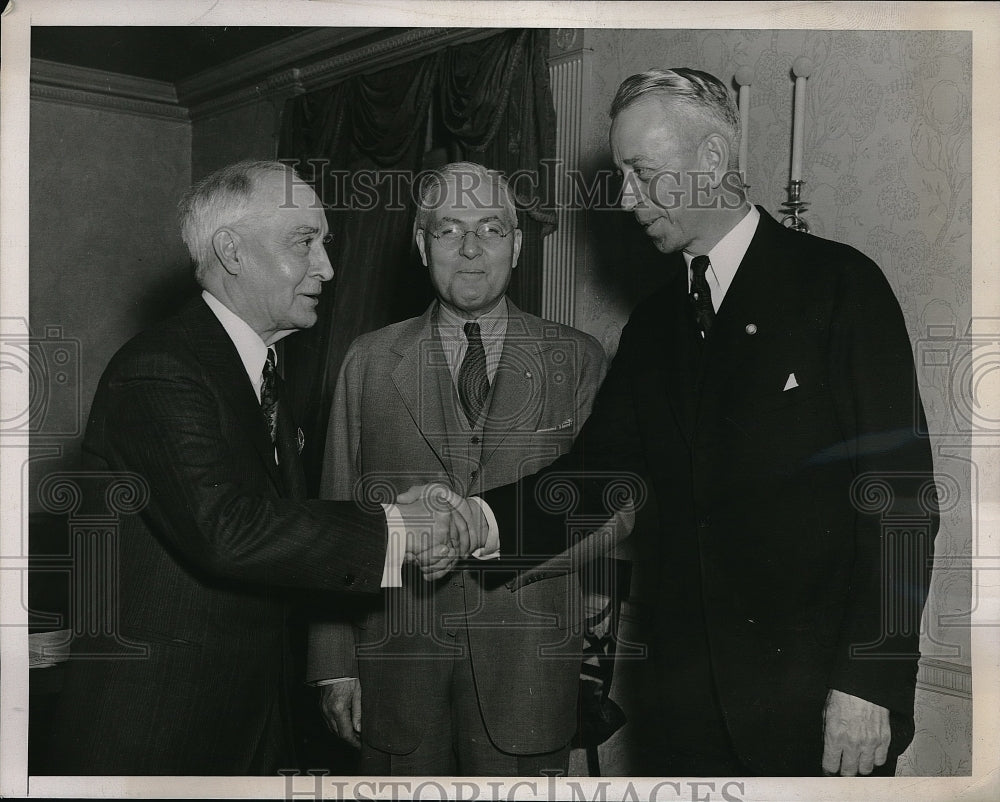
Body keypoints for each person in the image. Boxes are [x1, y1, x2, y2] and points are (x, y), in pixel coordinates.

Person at [426, 69, 938, 777]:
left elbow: (901, 497)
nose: (628, 199)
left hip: (819, 703)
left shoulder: (839, 286)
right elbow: (599, 477)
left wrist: (870, 682)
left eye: (643, 174)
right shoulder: (654, 324)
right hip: (684, 709)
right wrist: (474, 523)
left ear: (712, 162)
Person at [45, 161, 459, 776]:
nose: (327, 267)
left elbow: (279, 523)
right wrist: (400, 528)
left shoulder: (256, 370)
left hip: (241, 722)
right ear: (231, 251)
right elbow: (230, 530)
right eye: (304, 242)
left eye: (325, 243)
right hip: (155, 732)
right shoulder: (160, 370)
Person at [306, 162, 608, 776]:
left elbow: (610, 517)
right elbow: (333, 520)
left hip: (528, 672)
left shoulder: (576, 360)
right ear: (421, 245)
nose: (471, 249)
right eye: (448, 230)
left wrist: (495, 535)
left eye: (491, 228)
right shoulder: (368, 362)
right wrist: (333, 662)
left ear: (518, 244)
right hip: (394, 671)